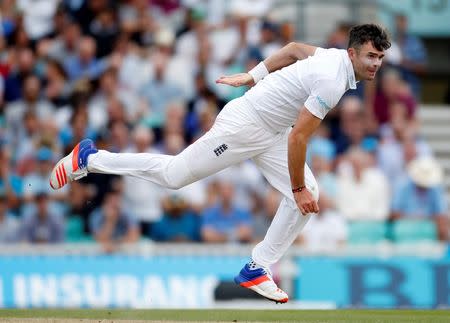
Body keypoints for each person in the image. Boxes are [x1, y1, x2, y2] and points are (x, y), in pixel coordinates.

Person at [49, 24, 391, 303]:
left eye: (380, 57)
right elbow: (298, 138)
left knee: (309, 194)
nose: (376, 63)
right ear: (352, 53)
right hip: (247, 127)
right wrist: (297, 188)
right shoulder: (332, 80)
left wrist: (253, 75)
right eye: (371, 56)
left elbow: (294, 49)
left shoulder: (334, 60)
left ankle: (257, 267)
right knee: (174, 176)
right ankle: (91, 158)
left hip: (270, 129)